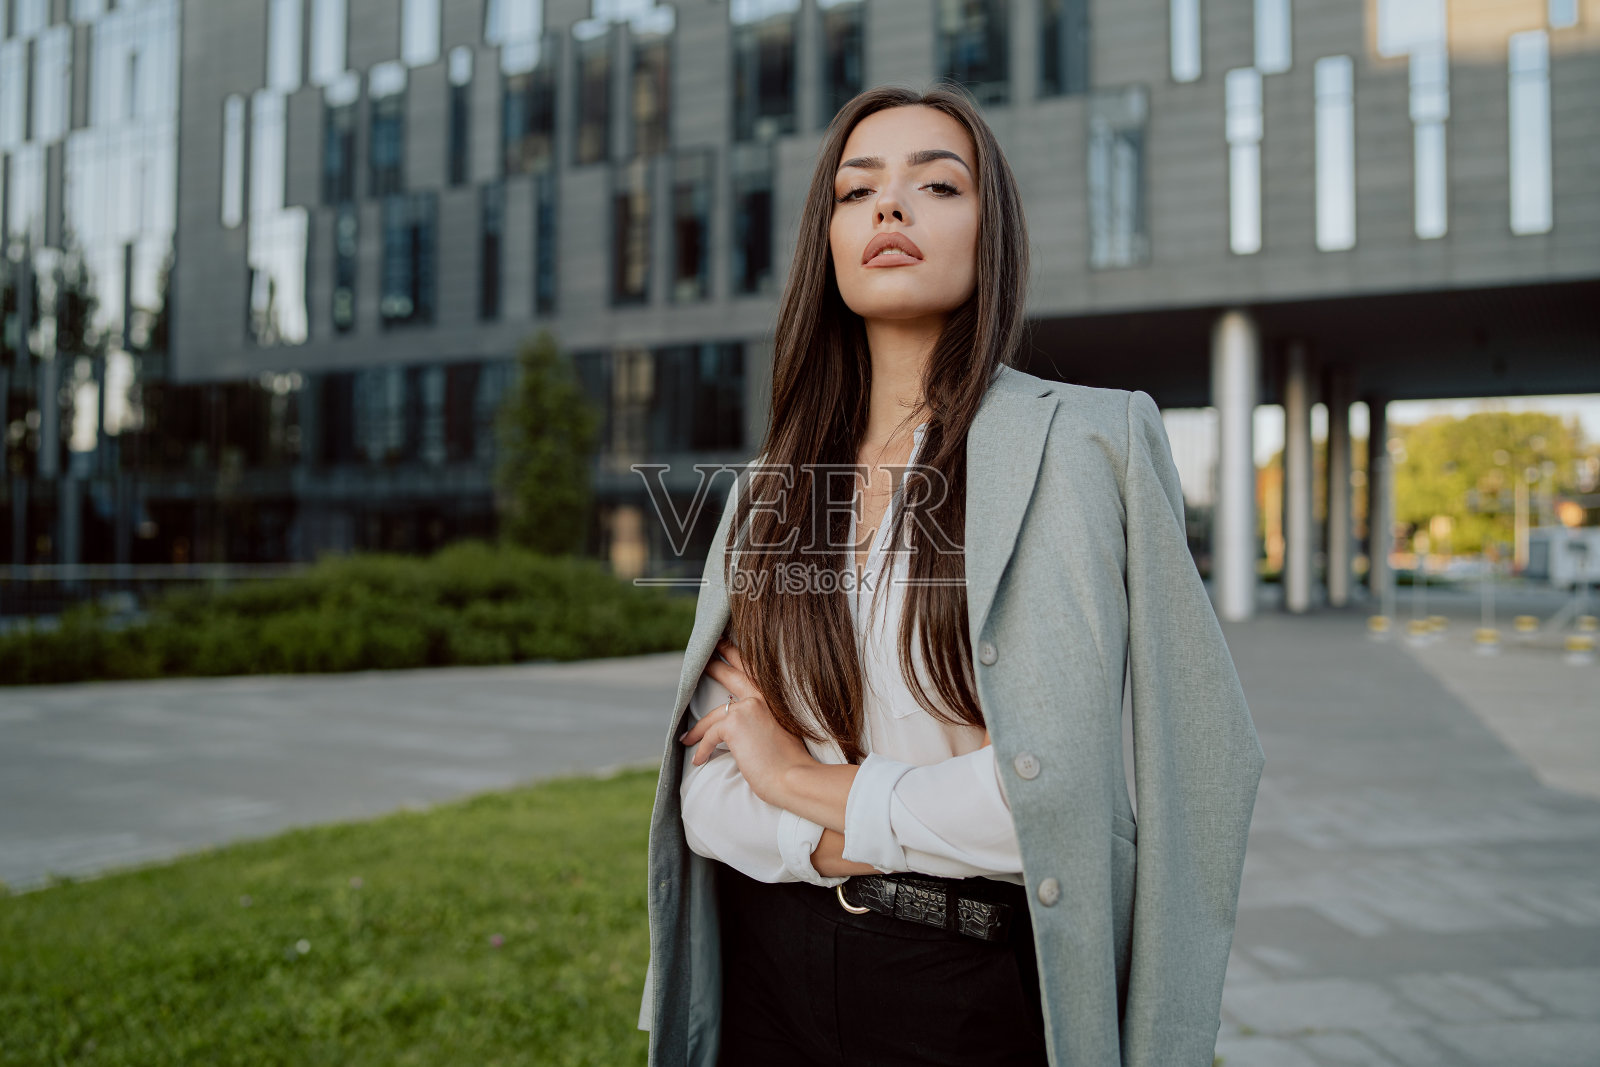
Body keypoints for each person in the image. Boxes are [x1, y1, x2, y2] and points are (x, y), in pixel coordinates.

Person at [638, 83, 1265, 1067]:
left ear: (990, 231)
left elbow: (1057, 794)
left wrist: (798, 779)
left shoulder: (1089, 443)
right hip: (768, 977)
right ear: (828, 241)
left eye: (936, 184)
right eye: (857, 191)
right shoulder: (768, 486)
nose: (889, 206)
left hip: (965, 991)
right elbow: (706, 792)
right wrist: (877, 823)